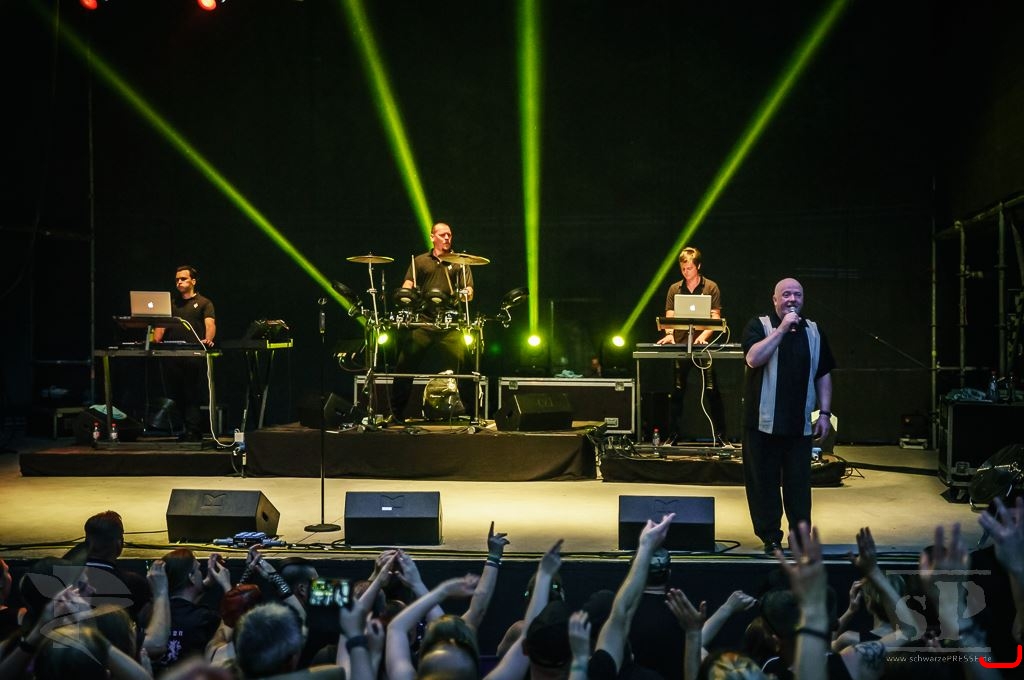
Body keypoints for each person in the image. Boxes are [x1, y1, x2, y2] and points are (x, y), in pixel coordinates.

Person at [742, 278, 835, 555]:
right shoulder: (759, 325)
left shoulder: (814, 331)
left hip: (799, 425)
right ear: (775, 300)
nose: (792, 299)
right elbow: (753, 359)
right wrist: (782, 329)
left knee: (799, 487)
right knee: (764, 485)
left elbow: (823, 373)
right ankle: (771, 538)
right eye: (786, 295)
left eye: (797, 295)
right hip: (762, 424)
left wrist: (825, 413)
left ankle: (800, 538)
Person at [392, 222, 476, 422]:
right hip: (424, 321)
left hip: (449, 324)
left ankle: (473, 414)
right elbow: (408, 284)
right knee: (404, 365)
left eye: (449, 235)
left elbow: (470, 291)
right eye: (442, 234)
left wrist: (465, 294)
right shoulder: (420, 261)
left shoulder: (460, 262)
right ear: (432, 237)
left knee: (465, 366)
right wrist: (405, 294)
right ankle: (396, 413)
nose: (447, 238)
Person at [655, 246, 728, 445]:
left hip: (704, 347)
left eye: (689, 268)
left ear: (698, 266)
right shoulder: (674, 289)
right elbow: (670, 316)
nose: (686, 272)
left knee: (712, 390)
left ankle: (721, 436)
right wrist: (669, 335)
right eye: (683, 269)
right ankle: (673, 435)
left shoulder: (710, 287)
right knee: (677, 390)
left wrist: (703, 337)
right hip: (681, 345)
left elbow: (715, 317)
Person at [153, 264, 216, 441]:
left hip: (192, 355)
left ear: (193, 281)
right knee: (176, 393)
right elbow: (160, 327)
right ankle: (184, 429)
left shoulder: (204, 303)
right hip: (172, 355)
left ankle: (193, 430)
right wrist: (154, 340)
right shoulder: (171, 304)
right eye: (177, 280)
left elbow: (210, 324)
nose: (179, 282)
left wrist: (208, 339)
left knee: (191, 392)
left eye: (183, 279)